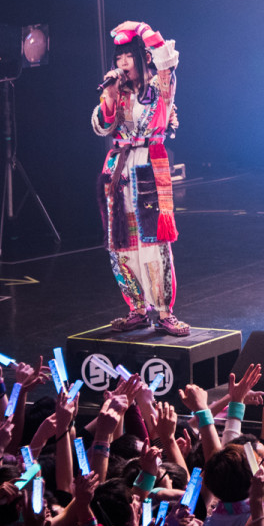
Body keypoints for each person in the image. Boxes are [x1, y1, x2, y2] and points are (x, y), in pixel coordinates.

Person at [91, 20, 190, 336]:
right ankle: (136, 308)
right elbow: (102, 127)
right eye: (118, 58)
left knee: (153, 243)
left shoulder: (160, 87)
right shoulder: (117, 92)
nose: (122, 63)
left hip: (148, 166)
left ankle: (164, 311)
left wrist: (142, 28)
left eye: (128, 56)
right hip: (118, 170)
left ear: (142, 57)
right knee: (122, 244)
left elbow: (166, 59)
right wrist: (108, 97)